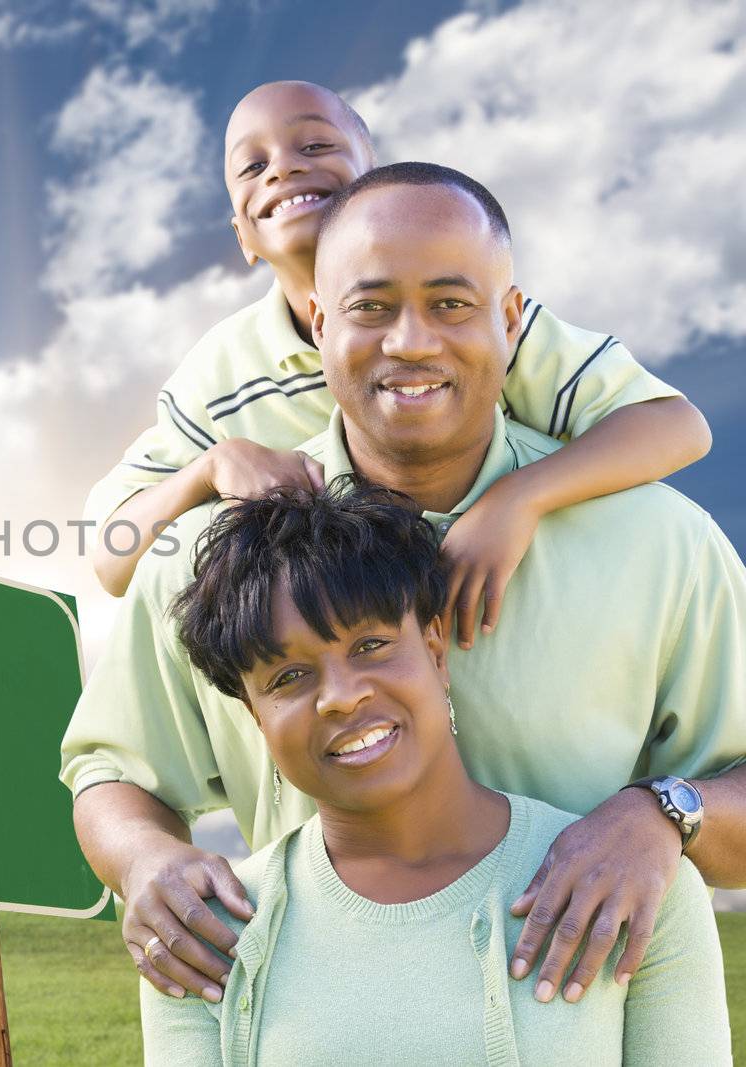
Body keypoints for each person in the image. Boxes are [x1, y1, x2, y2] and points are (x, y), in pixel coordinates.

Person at [60, 163, 746, 1013]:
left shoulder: (660, 544)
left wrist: (662, 814)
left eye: (452, 304)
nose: (410, 341)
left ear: (510, 319)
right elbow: (112, 768)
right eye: (370, 307)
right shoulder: (208, 558)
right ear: (318, 322)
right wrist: (144, 860)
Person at [86, 81, 710, 662]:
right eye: (253, 165)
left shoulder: (480, 327)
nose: (284, 167)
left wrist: (518, 499)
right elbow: (113, 558)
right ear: (242, 236)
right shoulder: (221, 373)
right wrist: (208, 468)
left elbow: (675, 426)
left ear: (377, 187)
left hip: (515, 626)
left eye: (315, 144)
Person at [137, 484, 730, 1065]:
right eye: (287, 678)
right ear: (255, 718)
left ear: (436, 652)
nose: (341, 697)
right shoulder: (199, 931)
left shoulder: (632, 880)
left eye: (370, 644)